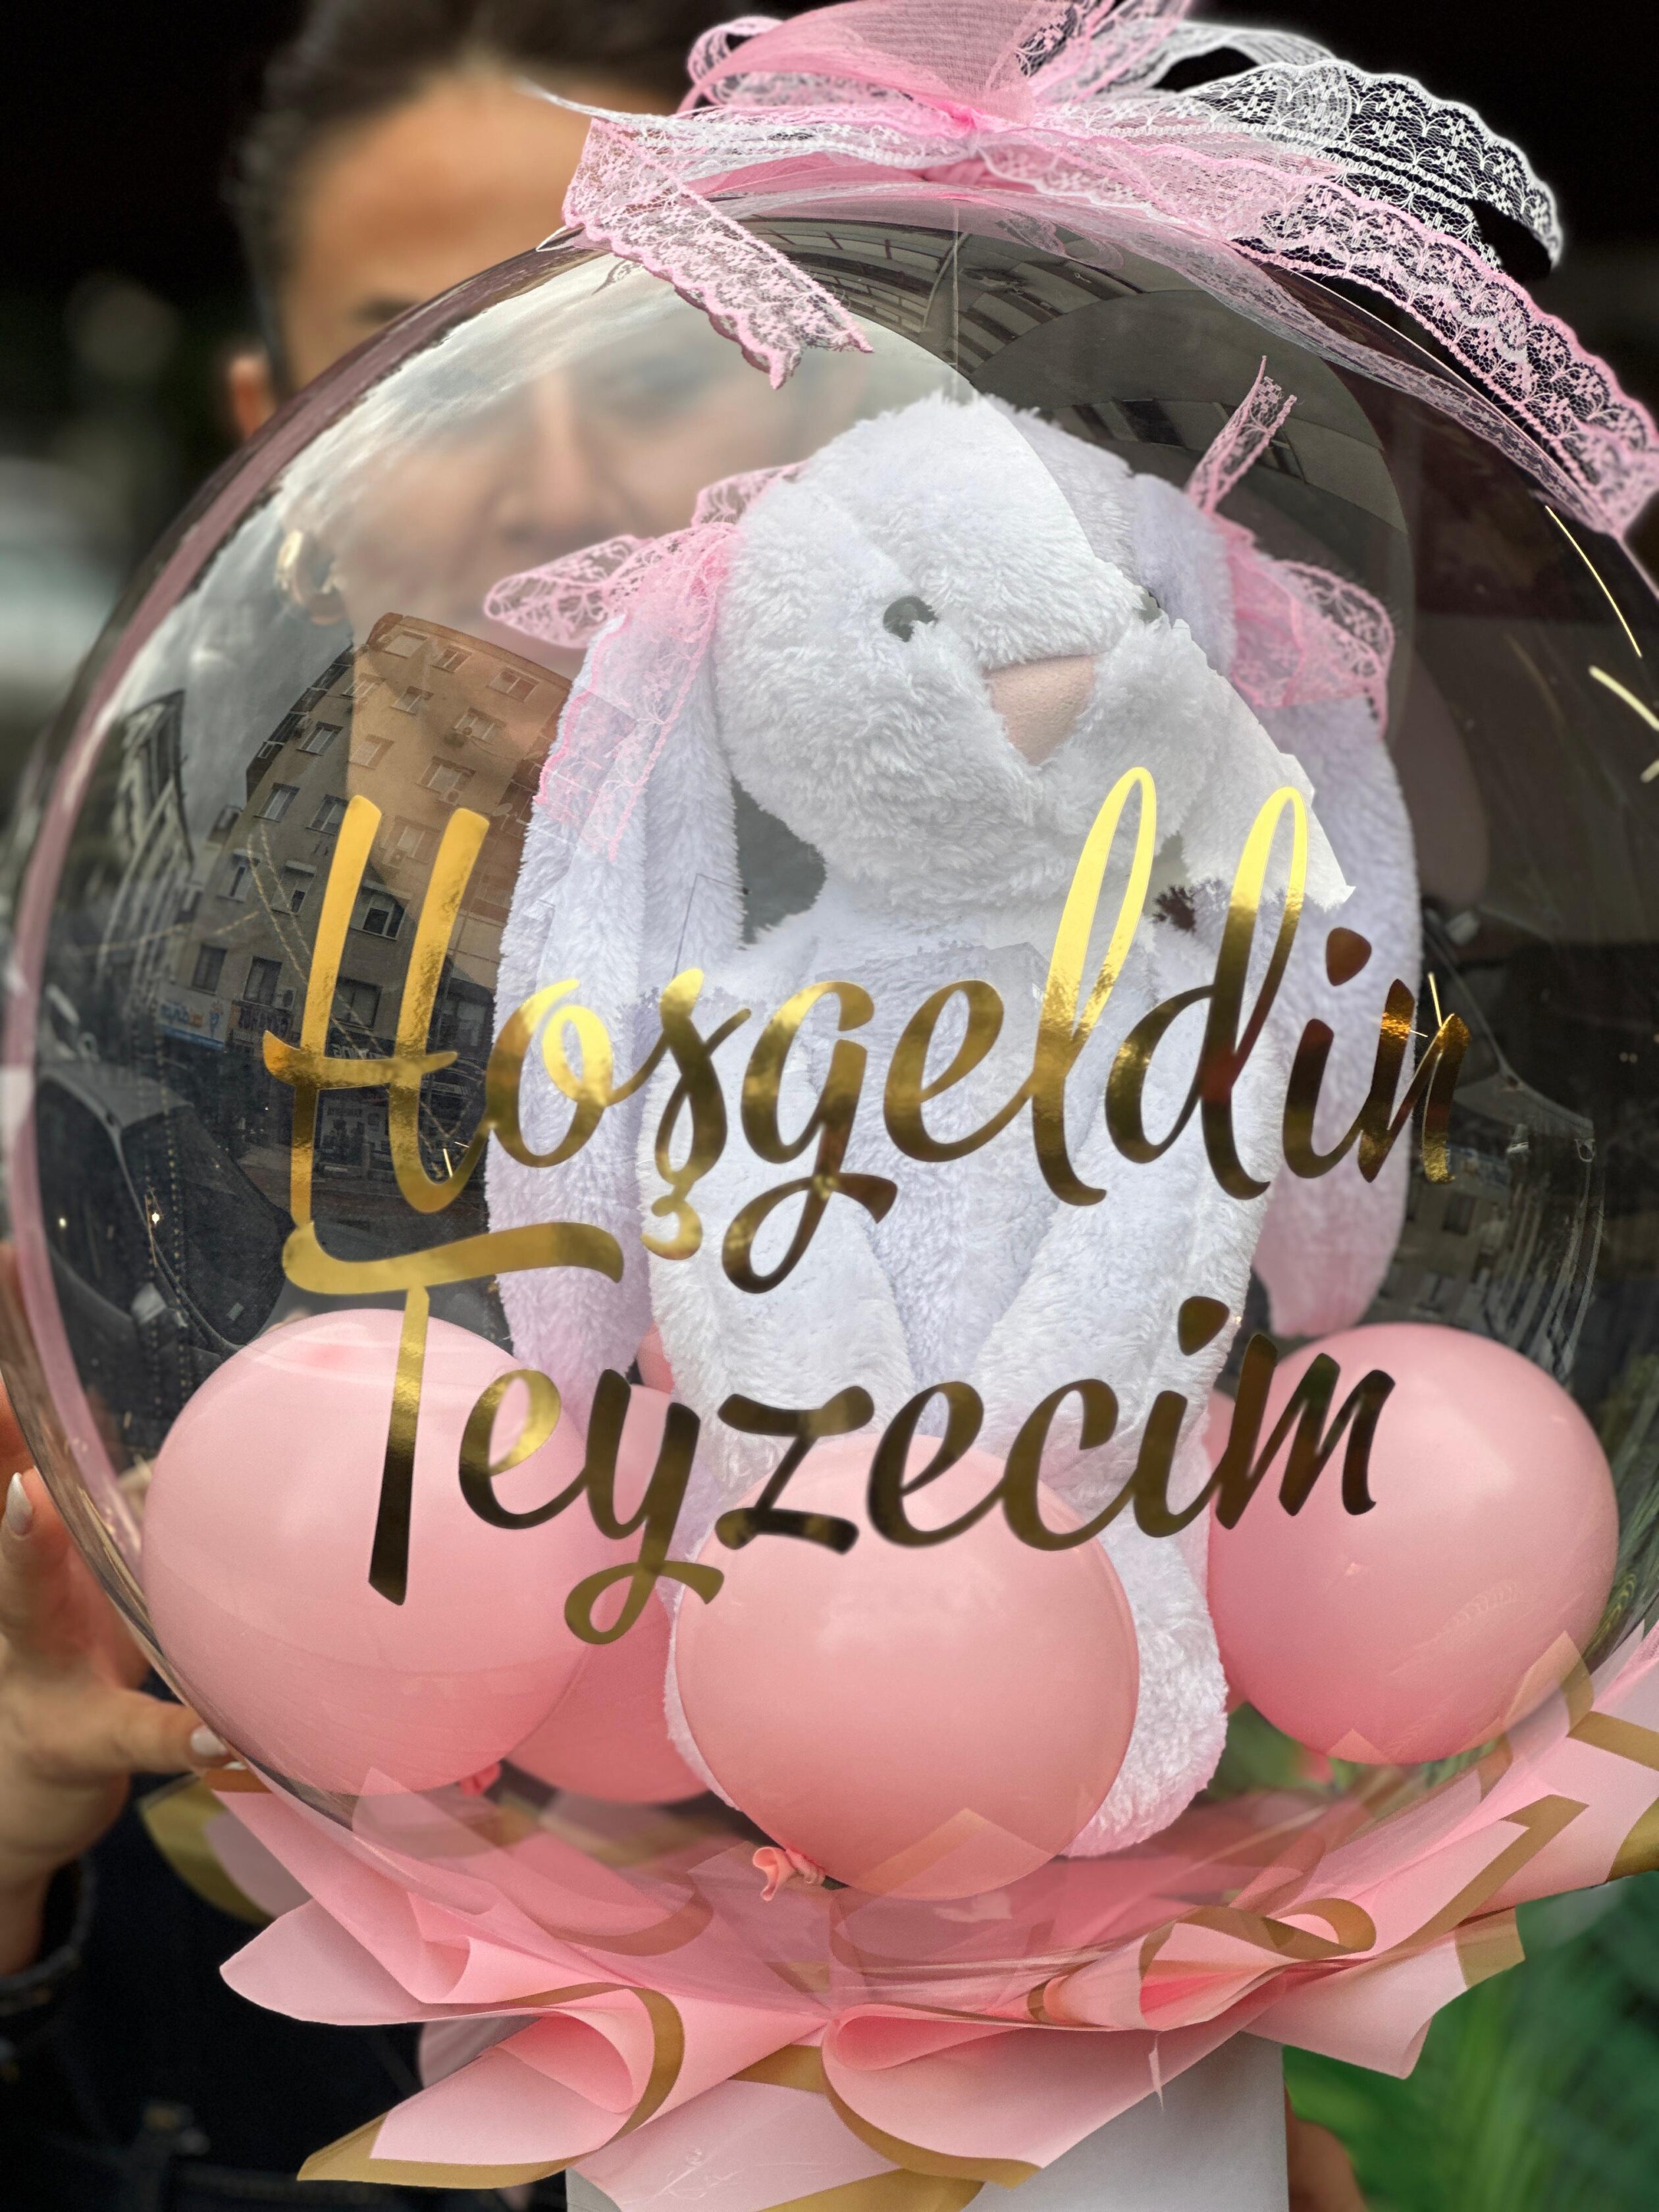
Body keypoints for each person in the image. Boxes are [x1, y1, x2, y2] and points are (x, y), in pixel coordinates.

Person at [0, 3, 1369, 2205]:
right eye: (430, 353)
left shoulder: (1062, 978)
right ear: (279, 441)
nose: (553, 458)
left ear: (806, 411)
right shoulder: (91, 1130)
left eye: (651, 355)